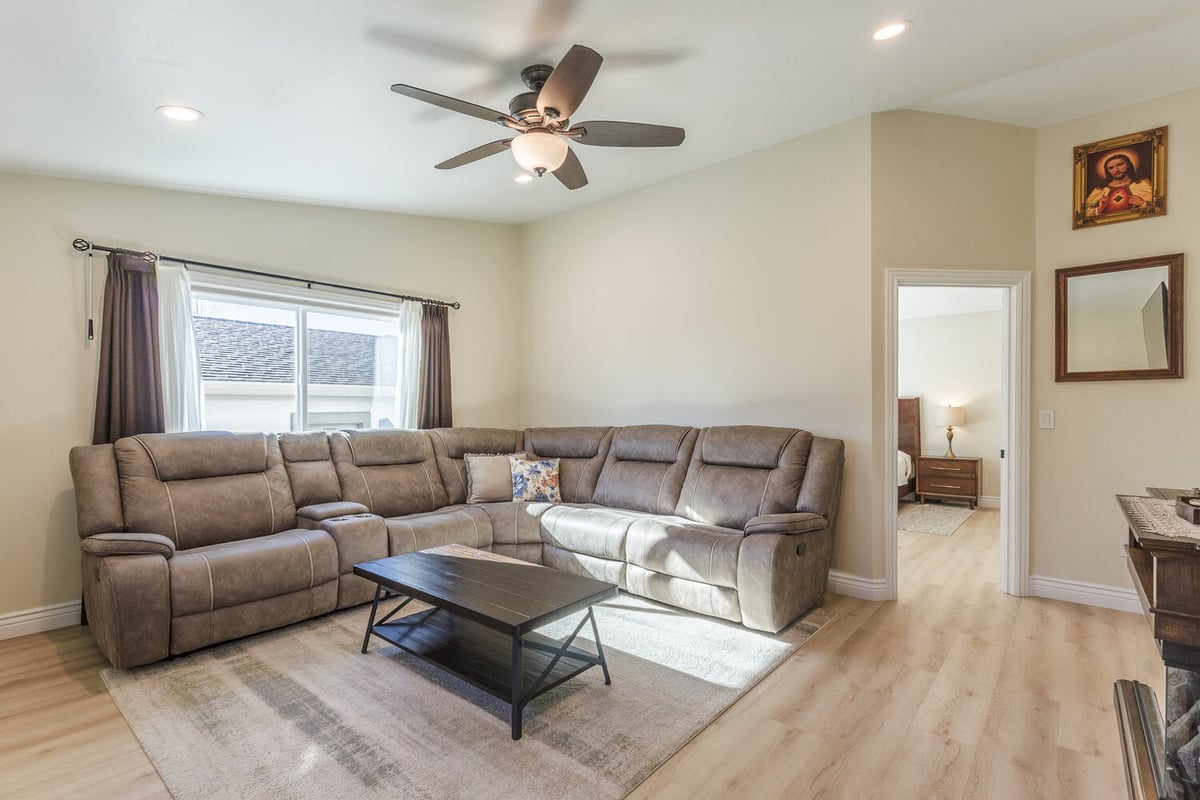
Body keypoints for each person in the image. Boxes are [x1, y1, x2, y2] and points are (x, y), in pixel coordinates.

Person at [1084, 152, 1152, 217]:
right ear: (1107, 171)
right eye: (1111, 168)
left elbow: (1158, 207)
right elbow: (1084, 214)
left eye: (1119, 165)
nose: (1116, 170)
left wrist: (1143, 203)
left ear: (1128, 165)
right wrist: (1099, 209)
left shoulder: (1142, 184)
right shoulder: (1101, 189)